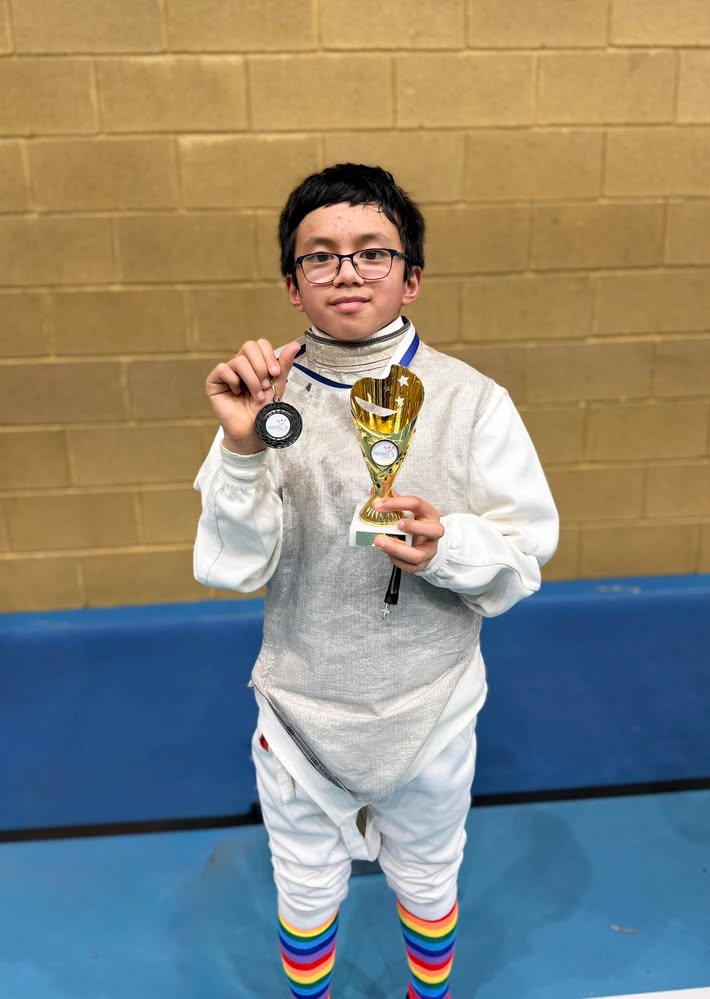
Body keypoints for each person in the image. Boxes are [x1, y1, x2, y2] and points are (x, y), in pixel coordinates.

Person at [193, 163, 559, 999]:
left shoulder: (474, 401)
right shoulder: (264, 402)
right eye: (320, 257)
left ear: (412, 275)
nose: (347, 272)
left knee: (429, 875)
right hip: (299, 709)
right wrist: (245, 448)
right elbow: (230, 564)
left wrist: (447, 547)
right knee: (305, 883)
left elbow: (524, 554)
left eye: (372, 252)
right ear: (292, 285)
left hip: (430, 703)